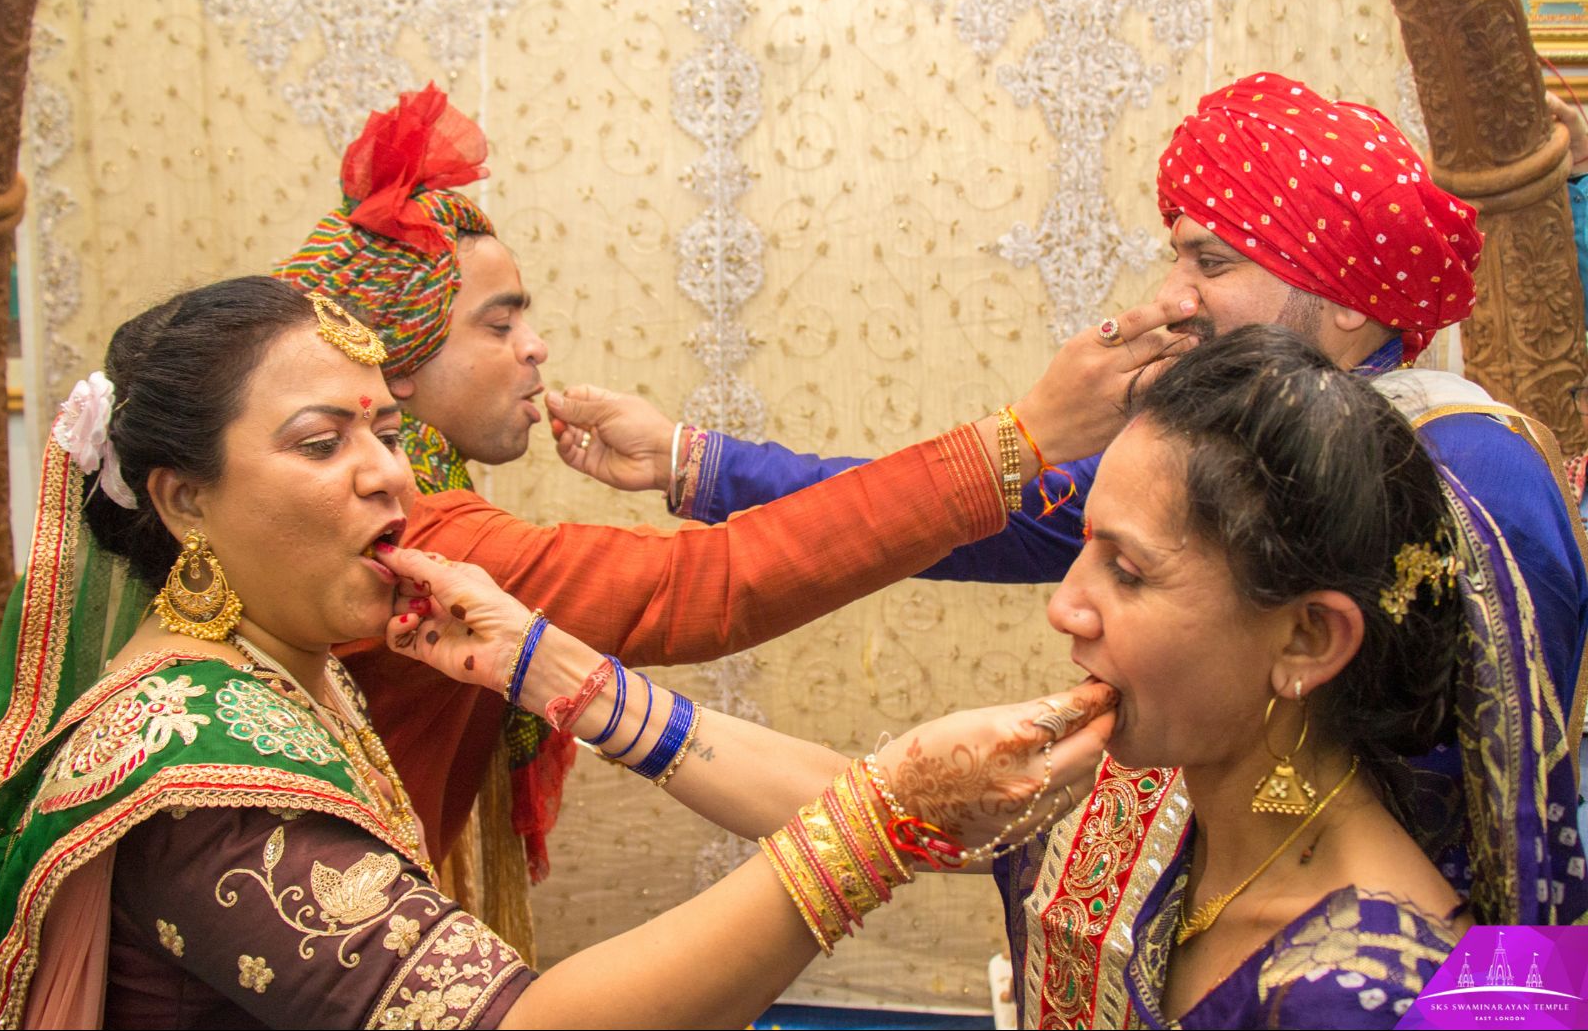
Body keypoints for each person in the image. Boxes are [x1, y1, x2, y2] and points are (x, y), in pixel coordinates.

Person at [555, 72, 1588, 934]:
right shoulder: (1235, 450)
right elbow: (977, 509)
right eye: (1178, 252)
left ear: (1354, 298)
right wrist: (694, 460)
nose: (1173, 291)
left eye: (1209, 260)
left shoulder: (1473, 475)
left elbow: (1520, 824)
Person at [0, 275, 1115, 1028]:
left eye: (385, 429)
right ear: (185, 502)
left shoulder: (295, 658)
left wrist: (558, 675)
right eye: (322, 443)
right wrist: (874, 822)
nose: (388, 472)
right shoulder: (198, 767)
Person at [274, 83, 1194, 945]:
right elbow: (705, 587)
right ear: (395, 361)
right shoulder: (422, 538)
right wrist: (1020, 435)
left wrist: (685, 458)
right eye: (499, 324)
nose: (535, 346)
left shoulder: (429, 508)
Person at [1014, 325, 1529, 1028]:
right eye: (1084, 546)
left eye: (1128, 572)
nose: (1063, 607)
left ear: (1307, 640)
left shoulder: (1368, 1000)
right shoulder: (1157, 801)